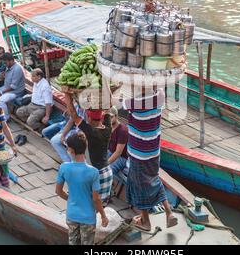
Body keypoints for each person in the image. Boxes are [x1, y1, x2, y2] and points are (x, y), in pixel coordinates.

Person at [120, 87, 178, 231]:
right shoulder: (160, 95)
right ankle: (169, 213)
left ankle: (146, 221)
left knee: (139, 185)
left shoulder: (135, 102)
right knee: (154, 178)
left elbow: (115, 102)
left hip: (139, 153)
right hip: (153, 150)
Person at [55, 132, 109, 245]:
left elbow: (58, 191)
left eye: (68, 149)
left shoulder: (64, 167)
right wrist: (103, 216)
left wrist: (70, 199)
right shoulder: (93, 172)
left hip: (72, 215)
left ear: (72, 151)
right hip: (88, 217)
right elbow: (96, 199)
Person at [65, 94, 113, 203]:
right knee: (100, 204)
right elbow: (108, 109)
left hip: (96, 174)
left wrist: (67, 96)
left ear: (89, 118)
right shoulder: (108, 128)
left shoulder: (91, 132)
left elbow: (74, 114)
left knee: (88, 204)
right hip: (107, 172)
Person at [0, 53, 25, 121]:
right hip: (6, 87)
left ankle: (6, 117)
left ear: (11, 61)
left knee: (0, 101)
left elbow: (13, 86)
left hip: (15, 92)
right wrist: (2, 76)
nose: (4, 64)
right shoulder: (8, 67)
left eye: (5, 63)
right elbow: (6, 79)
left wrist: (1, 92)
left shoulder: (17, 69)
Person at [107, 106, 129, 177]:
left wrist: (106, 163)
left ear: (116, 116)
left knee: (108, 171)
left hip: (121, 157)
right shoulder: (108, 126)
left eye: (111, 117)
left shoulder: (123, 130)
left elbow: (118, 152)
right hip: (110, 152)